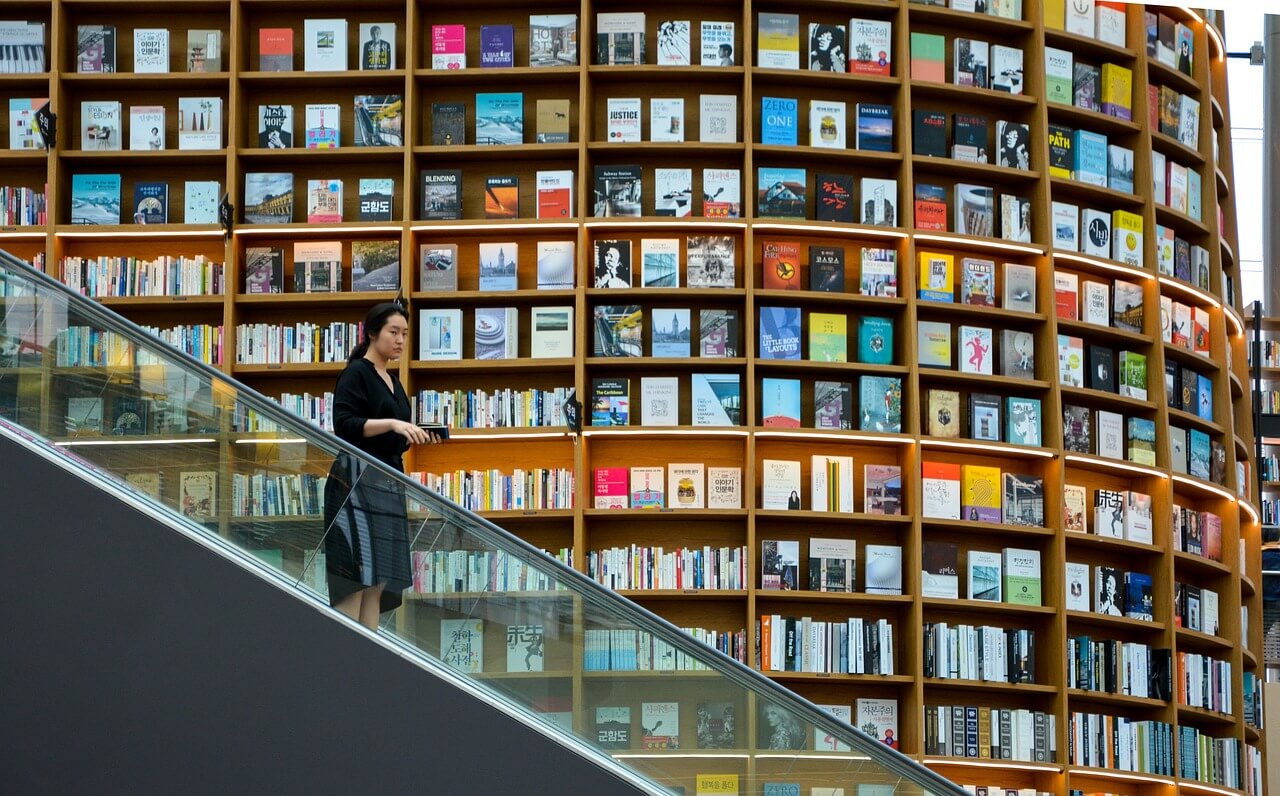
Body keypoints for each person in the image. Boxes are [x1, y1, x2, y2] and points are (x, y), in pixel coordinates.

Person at [324, 301, 440, 630]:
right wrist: (391, 423)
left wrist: (413, 434)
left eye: (405, 333)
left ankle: (366, 659)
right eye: (394, 332)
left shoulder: (393, 380)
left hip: (386, 483)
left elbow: (392, 437)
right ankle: (346, 661)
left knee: (377, 581)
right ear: (373, 333)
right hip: (356, 484)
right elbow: (344, 424)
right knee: (356, 576)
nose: (401, 340)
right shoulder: (356, 372)